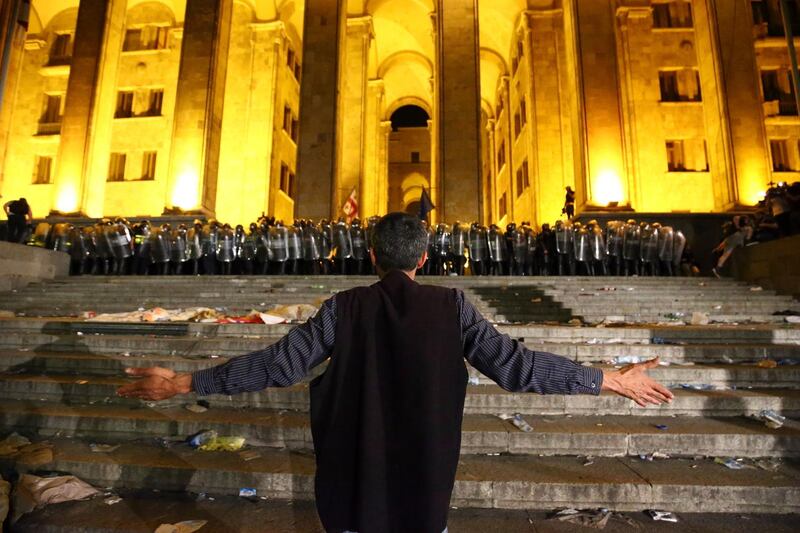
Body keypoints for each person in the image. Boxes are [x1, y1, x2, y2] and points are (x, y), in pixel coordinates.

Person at [118, 212, 672, 533]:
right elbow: (515, 366)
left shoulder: (343, 307)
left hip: (352, 490)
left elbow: (278, 364)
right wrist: (608, 378)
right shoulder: (452, 308)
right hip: (423, 490)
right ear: (424, 258)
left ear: (370, 254)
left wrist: (187, 381)